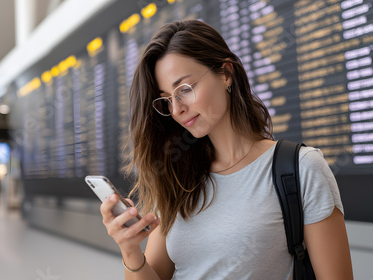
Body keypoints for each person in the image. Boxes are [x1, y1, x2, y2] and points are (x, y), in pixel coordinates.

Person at [100, 19, 353, 279]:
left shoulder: (302, 168)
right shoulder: (179, 178)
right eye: (166, 99)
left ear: (226, 74)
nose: (176, 109)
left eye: (185, 89)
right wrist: (130, 251)